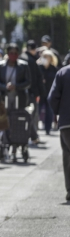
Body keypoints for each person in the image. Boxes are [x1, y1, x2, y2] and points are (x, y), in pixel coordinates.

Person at [0, 43, 32, 160]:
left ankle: (17, 145)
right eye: (11, 53)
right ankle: (2, 145)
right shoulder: (1, 66)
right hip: (4, 99)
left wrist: (17, 86)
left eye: (15, 53)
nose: (13, 55)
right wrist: (5, 87)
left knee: (17, 122)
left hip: (18, 99)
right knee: (3, 123)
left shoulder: (23, 66)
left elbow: (28, 82)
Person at [48, 64, 70, 201]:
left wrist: (58, 112)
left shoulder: (63, 72)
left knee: (68, 156)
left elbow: (52, 97)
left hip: (67, 122)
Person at [21, 40, 46, 144]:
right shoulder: (31, 61)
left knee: (25, 115)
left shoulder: (22, 58)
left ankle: (31, 136)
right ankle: (33, 136)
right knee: (30, 115)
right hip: (31, 92)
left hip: (22, 91)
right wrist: (40, 93)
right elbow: (36, 79)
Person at [39, 50, 59, 134]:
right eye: (44, 57)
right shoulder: (39, 67)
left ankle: (48, 128)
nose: (46, 59)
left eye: (47, 57)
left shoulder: (54, 69)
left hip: (50, 92)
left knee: (49, 111)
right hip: (40, 93)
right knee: (38, 111)